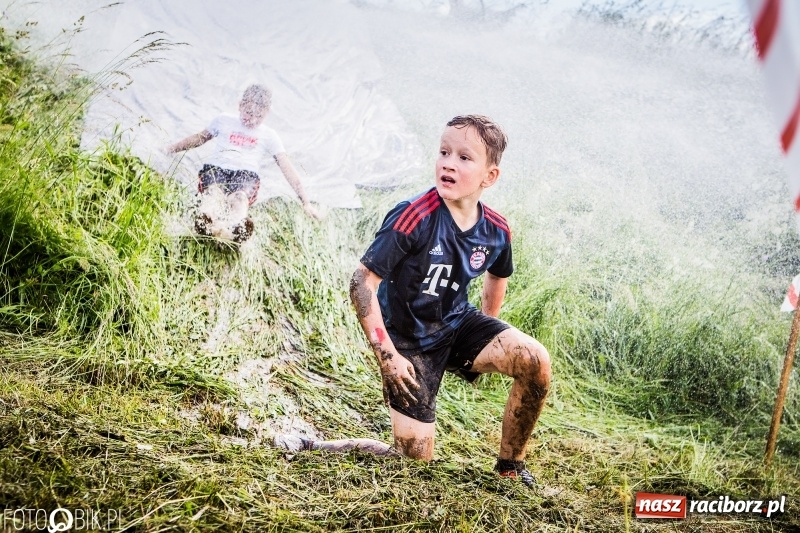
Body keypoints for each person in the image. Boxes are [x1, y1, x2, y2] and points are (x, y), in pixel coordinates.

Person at [276, 115, 551, 488]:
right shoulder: (413, 216)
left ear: (490, 176)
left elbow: (497, 274)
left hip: (458, 324)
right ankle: (312, 444)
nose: (448, 163)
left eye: (464, 157)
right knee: (414, 466)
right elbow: (361, 283)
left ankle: (510, 467)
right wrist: (387, 356)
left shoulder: (497, 230)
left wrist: (487, 332)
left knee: (535, 361)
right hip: (409, 344)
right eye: (443, 152)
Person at [168, 84, 320, 243]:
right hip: (216, 168)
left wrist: (306, 202)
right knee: (213, 192)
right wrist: (170, 149)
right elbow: (199, 138)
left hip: (246, 174)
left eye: (259, 116)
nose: (253, 119)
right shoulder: (224, 120)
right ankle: (207, 221)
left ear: (266, 114)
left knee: (240, 198)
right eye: (249, 113)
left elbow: (286, 166)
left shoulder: (269, 135)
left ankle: (235, 228)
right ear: (240, 105)